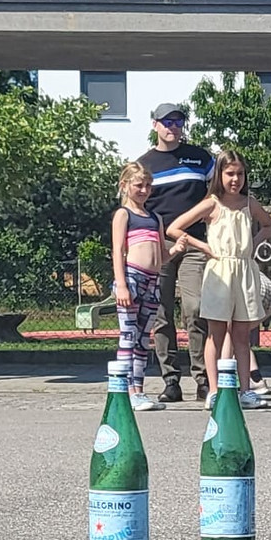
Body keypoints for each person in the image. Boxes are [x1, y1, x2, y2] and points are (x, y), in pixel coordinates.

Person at [136, 103, 267, 403]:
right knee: (161, 312)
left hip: (197, 244)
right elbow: (138, 199)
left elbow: (221, 190)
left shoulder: (200, 157)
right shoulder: (145, 163)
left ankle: (204, 381)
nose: (173, 127)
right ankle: (170, 380)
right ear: (155, 125)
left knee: (196, 309)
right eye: (167, 121)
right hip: (160, 242)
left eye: (178, 121)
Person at [166, 149, 271, 411]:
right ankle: (213, 391)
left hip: (244, 270)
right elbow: (174, 228)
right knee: (215, 334)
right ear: (220, 175)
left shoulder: (249, 203)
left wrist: (253, 244)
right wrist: (202, 246)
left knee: (241, 335)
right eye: (230, 173)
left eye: (240, 174)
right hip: (219, 271)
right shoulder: (212, 204)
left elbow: (269, 225)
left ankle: (245, 390)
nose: (235, 179)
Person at [109, 161, 168, 412]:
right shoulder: (124, 215)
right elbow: (117, 251)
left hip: (152, 281)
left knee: (143, 338)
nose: (144, 190)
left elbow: (162, 255)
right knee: (129, 335)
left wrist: (177, 249)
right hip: (132, 277)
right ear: (125, 186)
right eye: (139, 185)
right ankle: (127, 390)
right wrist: (122, 284)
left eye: (148, 185)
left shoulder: (155, 218)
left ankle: (139, 390)